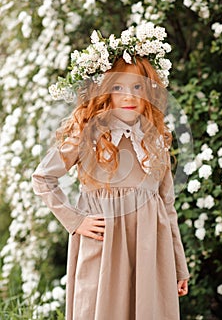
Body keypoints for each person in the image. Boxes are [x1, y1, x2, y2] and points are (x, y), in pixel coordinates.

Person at [32, 23, 190, 320]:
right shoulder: (88, 136)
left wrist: (179, 266)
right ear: (104, 92)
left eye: (137, 88)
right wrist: (75, 221)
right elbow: (43, 178)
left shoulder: (155, 141)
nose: (128, 97)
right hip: (103, 250)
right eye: (118, 87)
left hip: (149, 255)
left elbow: (167, 207)